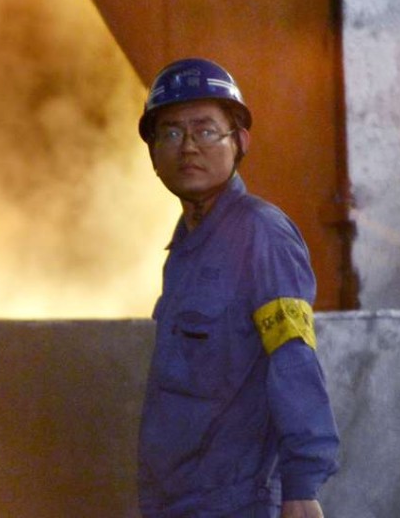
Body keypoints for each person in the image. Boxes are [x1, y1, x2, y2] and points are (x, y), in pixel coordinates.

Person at [135, 58, 340, 518]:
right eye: (170, 133)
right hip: (172, 501)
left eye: (206, 130)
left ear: (240, 141)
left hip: (234, 502)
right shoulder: (184, 249)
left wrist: (301, 488)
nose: (187, 147)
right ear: (152, 153)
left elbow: (293, 355)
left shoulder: (260, 234)